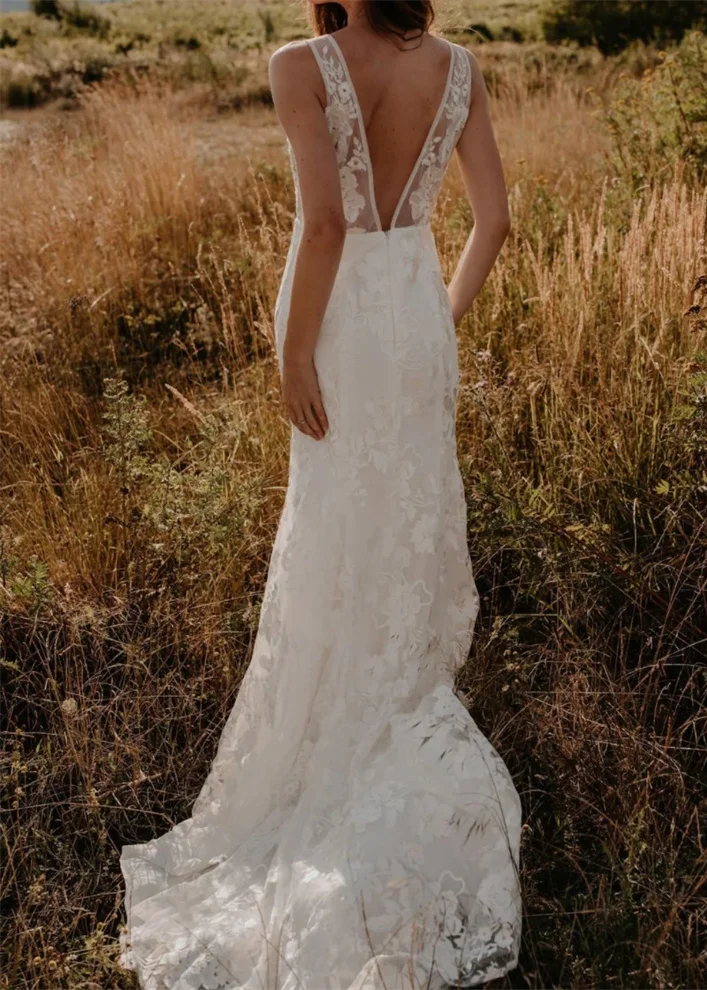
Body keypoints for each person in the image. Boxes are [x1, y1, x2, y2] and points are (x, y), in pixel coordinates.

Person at [119, 2, 521, 987]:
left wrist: (294, 347)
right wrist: (435, 318)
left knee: (335, 524)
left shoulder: (300, 61)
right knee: (399, 521)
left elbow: (326, 219)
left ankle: (336, 722)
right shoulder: (458, 66)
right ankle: (391, 704)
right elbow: (495, 222)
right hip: (416, 320)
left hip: (341, 324)